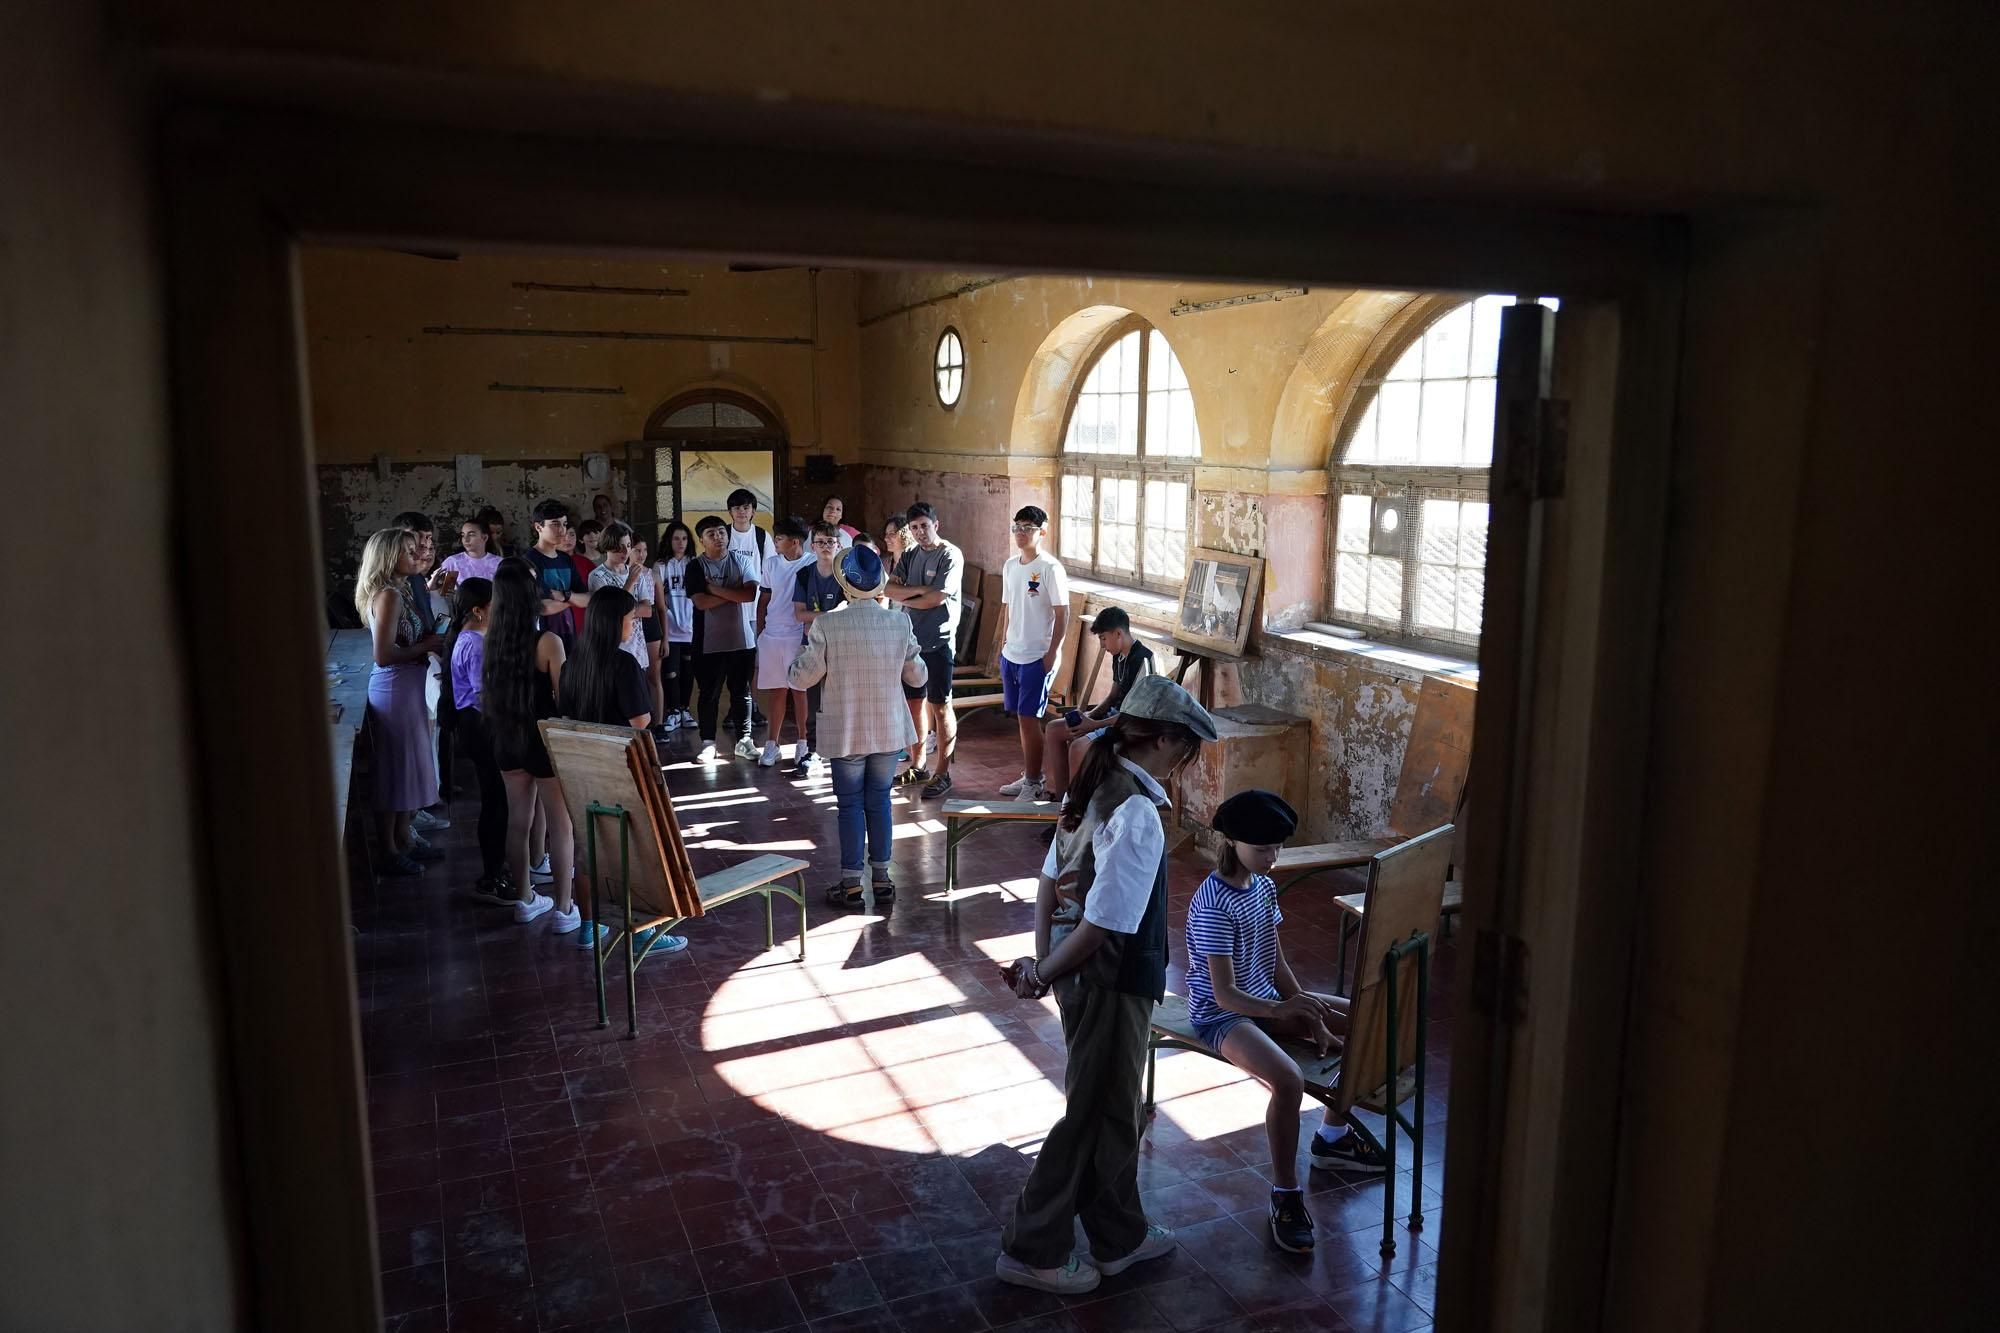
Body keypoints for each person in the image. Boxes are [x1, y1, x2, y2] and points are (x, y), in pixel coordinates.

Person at [996, 677, 1218, 1294]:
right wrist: (1045, 970)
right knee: (1092, 1115)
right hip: (1112, 982)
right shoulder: (1138, 811)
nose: (1184, 763)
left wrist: (1045, 965)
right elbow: (1103, 926)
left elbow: (1049, 884)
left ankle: (1119, 1237)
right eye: (1185, 750)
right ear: (1167, 740)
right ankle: (1031, 1247)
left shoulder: (1091, 785)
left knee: (1115, 1110)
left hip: (1080, 978)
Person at [1185, 789, 1371, 1254]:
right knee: (1288, 1080)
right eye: (1263, 849)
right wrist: (1286, 1013)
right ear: (1233, 842)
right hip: (1222, 1017)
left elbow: (1275, 959)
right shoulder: (1213, 903)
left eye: (1277, 848)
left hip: (1265, 1002)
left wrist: (1305, 1005)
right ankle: (1286, 1194)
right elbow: (1224, 993)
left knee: (1369, 1022)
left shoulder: (1263, 886)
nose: (1272, 858)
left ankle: (1332, 1137)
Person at [787, 545, 928, 911]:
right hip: (887, 727)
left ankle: (851, 884)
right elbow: (917, 676)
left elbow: (803, 679)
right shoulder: (898, 622)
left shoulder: (827, 624)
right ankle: (882, 879)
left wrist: (793, 665)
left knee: (850, 805)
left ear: (844, 584)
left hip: (847, 727)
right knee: (879, 800)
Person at [481, 557, 584, 933]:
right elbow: (564, 699)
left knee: (518, 821)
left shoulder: (492, 639)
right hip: (543, 741)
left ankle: (524, 899)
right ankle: (563, 906)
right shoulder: (548, 642)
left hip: (507, 739)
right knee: (561, 824)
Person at [355, 528, 445, 877]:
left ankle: (403, 837)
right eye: (409, 551)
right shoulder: (389, 595)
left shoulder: (403, 590)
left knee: (406, 767)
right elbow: (382, 654)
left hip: (408, 686)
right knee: (393, 770)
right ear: (390, 557)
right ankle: (388, 848)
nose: (416, 555)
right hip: (393, 688)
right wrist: (426, 646)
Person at [1034, 605, 1155, 804]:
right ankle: (1063, 801)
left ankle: (1076, 812)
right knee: (1054, 729)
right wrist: (1087, 717)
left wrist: (1094, 725)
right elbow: (1111, 698)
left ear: (1118, 634)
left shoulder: (1143, 659)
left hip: (1128, 725)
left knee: (1077, 746)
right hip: (1113, 717)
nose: (1102, 645)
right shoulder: (1119, 656)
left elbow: (1134, 714)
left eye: (1103, 638)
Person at [882, 501, 963, 798]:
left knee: (940, 706)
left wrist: (912, 598)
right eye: (914, 528)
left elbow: (938, 598)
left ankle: (943, 772)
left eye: (924, 526)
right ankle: (918, 765)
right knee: (915, 704)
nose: (920, 532)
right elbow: (889, 589)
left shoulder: (950, 555)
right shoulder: (911, 554)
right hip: (910, 642)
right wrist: (921, 593)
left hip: (938, 642)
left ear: (936, 525)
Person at [992, 506, 1070, 800]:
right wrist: (1003, 646)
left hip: (1038, 655)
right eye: (1017, 527)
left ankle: (1035, 782)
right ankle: (1029, 774)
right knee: (1020, 718)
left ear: (1042, 532)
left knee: (1029, 717)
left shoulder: (1050, 568)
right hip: (1012, 653)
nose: (1020, 533)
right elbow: (1008, 608)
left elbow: (1063, 615)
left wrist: (1052, 653)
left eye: (1027, 527)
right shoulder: (1010, 566)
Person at [445, 577, 513, 902]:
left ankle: (498, 869)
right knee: (495, 802)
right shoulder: (473, 643)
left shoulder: (474, 637)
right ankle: (492, 874)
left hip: (479, 725)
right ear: (479, 610)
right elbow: (483, 694)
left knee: (497, 800)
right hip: (481, 726)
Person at [393, 509, 457, 830]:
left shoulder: (414, 579)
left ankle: (423, 801)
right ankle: (415, 809)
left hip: (421, 662)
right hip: (406, 672)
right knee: (416, 743)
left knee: (427, 737)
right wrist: (429, 645)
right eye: (419, 542)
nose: (424, 550)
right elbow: (390, 647)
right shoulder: (393, 589)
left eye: (430, 543)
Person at [686, 514, 760, 765]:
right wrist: (733, 594)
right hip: (708, 643)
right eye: (711, 534)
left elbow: (750, 594)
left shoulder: (742, 561)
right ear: (701, 540)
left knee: (742, 693)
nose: (718, 537)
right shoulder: (695, 566)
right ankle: (708, 743)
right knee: (709, 694)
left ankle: (744, 740)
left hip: (742, 640)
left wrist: (715, 589)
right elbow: (700, 602)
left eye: (721, 532)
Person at [754, 516, 815, 767]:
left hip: (796, 635)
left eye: (779, 538)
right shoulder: (771, 564)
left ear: (795, 542)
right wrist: (760, 632)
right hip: (772, 635)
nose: (775, 542)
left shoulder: (811, 563)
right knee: (777, 691)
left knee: (799, 691)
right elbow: (764, 599)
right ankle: (772, 744)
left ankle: (802, 743)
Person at [791, 521, 847, 772]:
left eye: (831, 542)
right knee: (813, 700)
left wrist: (820, 616)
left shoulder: (848, 575)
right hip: (812, 645)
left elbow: (850, 611)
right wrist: (831, 614)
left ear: (839, 545)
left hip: (842, 647)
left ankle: (841, 750)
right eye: (821, 542)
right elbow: (799, 615)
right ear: (812, 546)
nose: (826, 546)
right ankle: (813, 750)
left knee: (840, 698)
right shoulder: (804, 574)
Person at [722, 488, 772, 751]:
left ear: (753, 510)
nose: (742, 512)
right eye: (736, 507)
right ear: (730, 512)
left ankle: (751, 707)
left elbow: (772, 570)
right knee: (733, 662)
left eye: (746, 507)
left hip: (754, 610)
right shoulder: (724, 535)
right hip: (729, 610)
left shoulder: (762, 537)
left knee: (752, 662)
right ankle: (735, 708)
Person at [587, 521, 652, 676]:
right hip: (612, 650)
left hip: (637, 649)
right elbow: (610, 613)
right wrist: (629, 583)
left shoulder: (637, 573)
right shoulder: (597, 576)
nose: (625, 551)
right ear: (608, 546)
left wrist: (623, 610)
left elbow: (648, 610)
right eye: (619, 547)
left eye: (629, 546)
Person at [524, 499, 586, 648]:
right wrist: (573, 598)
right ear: (538, 527)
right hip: (541, 636)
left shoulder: (566, 559)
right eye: (555, 524)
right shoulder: (528, 560)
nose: (562, 530)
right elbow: (543, 607)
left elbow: (588, 598)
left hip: (569, 631)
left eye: (564, 524)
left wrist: (565, 596)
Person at [655, 521, 697, 734]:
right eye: (676, 538)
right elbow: (659, 601)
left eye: (684, 538)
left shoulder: (695, 563)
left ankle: (684, 709)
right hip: (670, 628)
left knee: (688, 671)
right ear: (669, 541)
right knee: (671, 672)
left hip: (691, 628)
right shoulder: (661, 566)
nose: (680, 543)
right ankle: (672, 711)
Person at [438, 515, 502, 585]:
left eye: (471, 535)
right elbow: (441, 592)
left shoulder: (500, 564)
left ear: (485, 537)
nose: (466, 539)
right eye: (463, 535)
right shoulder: (452, 563)